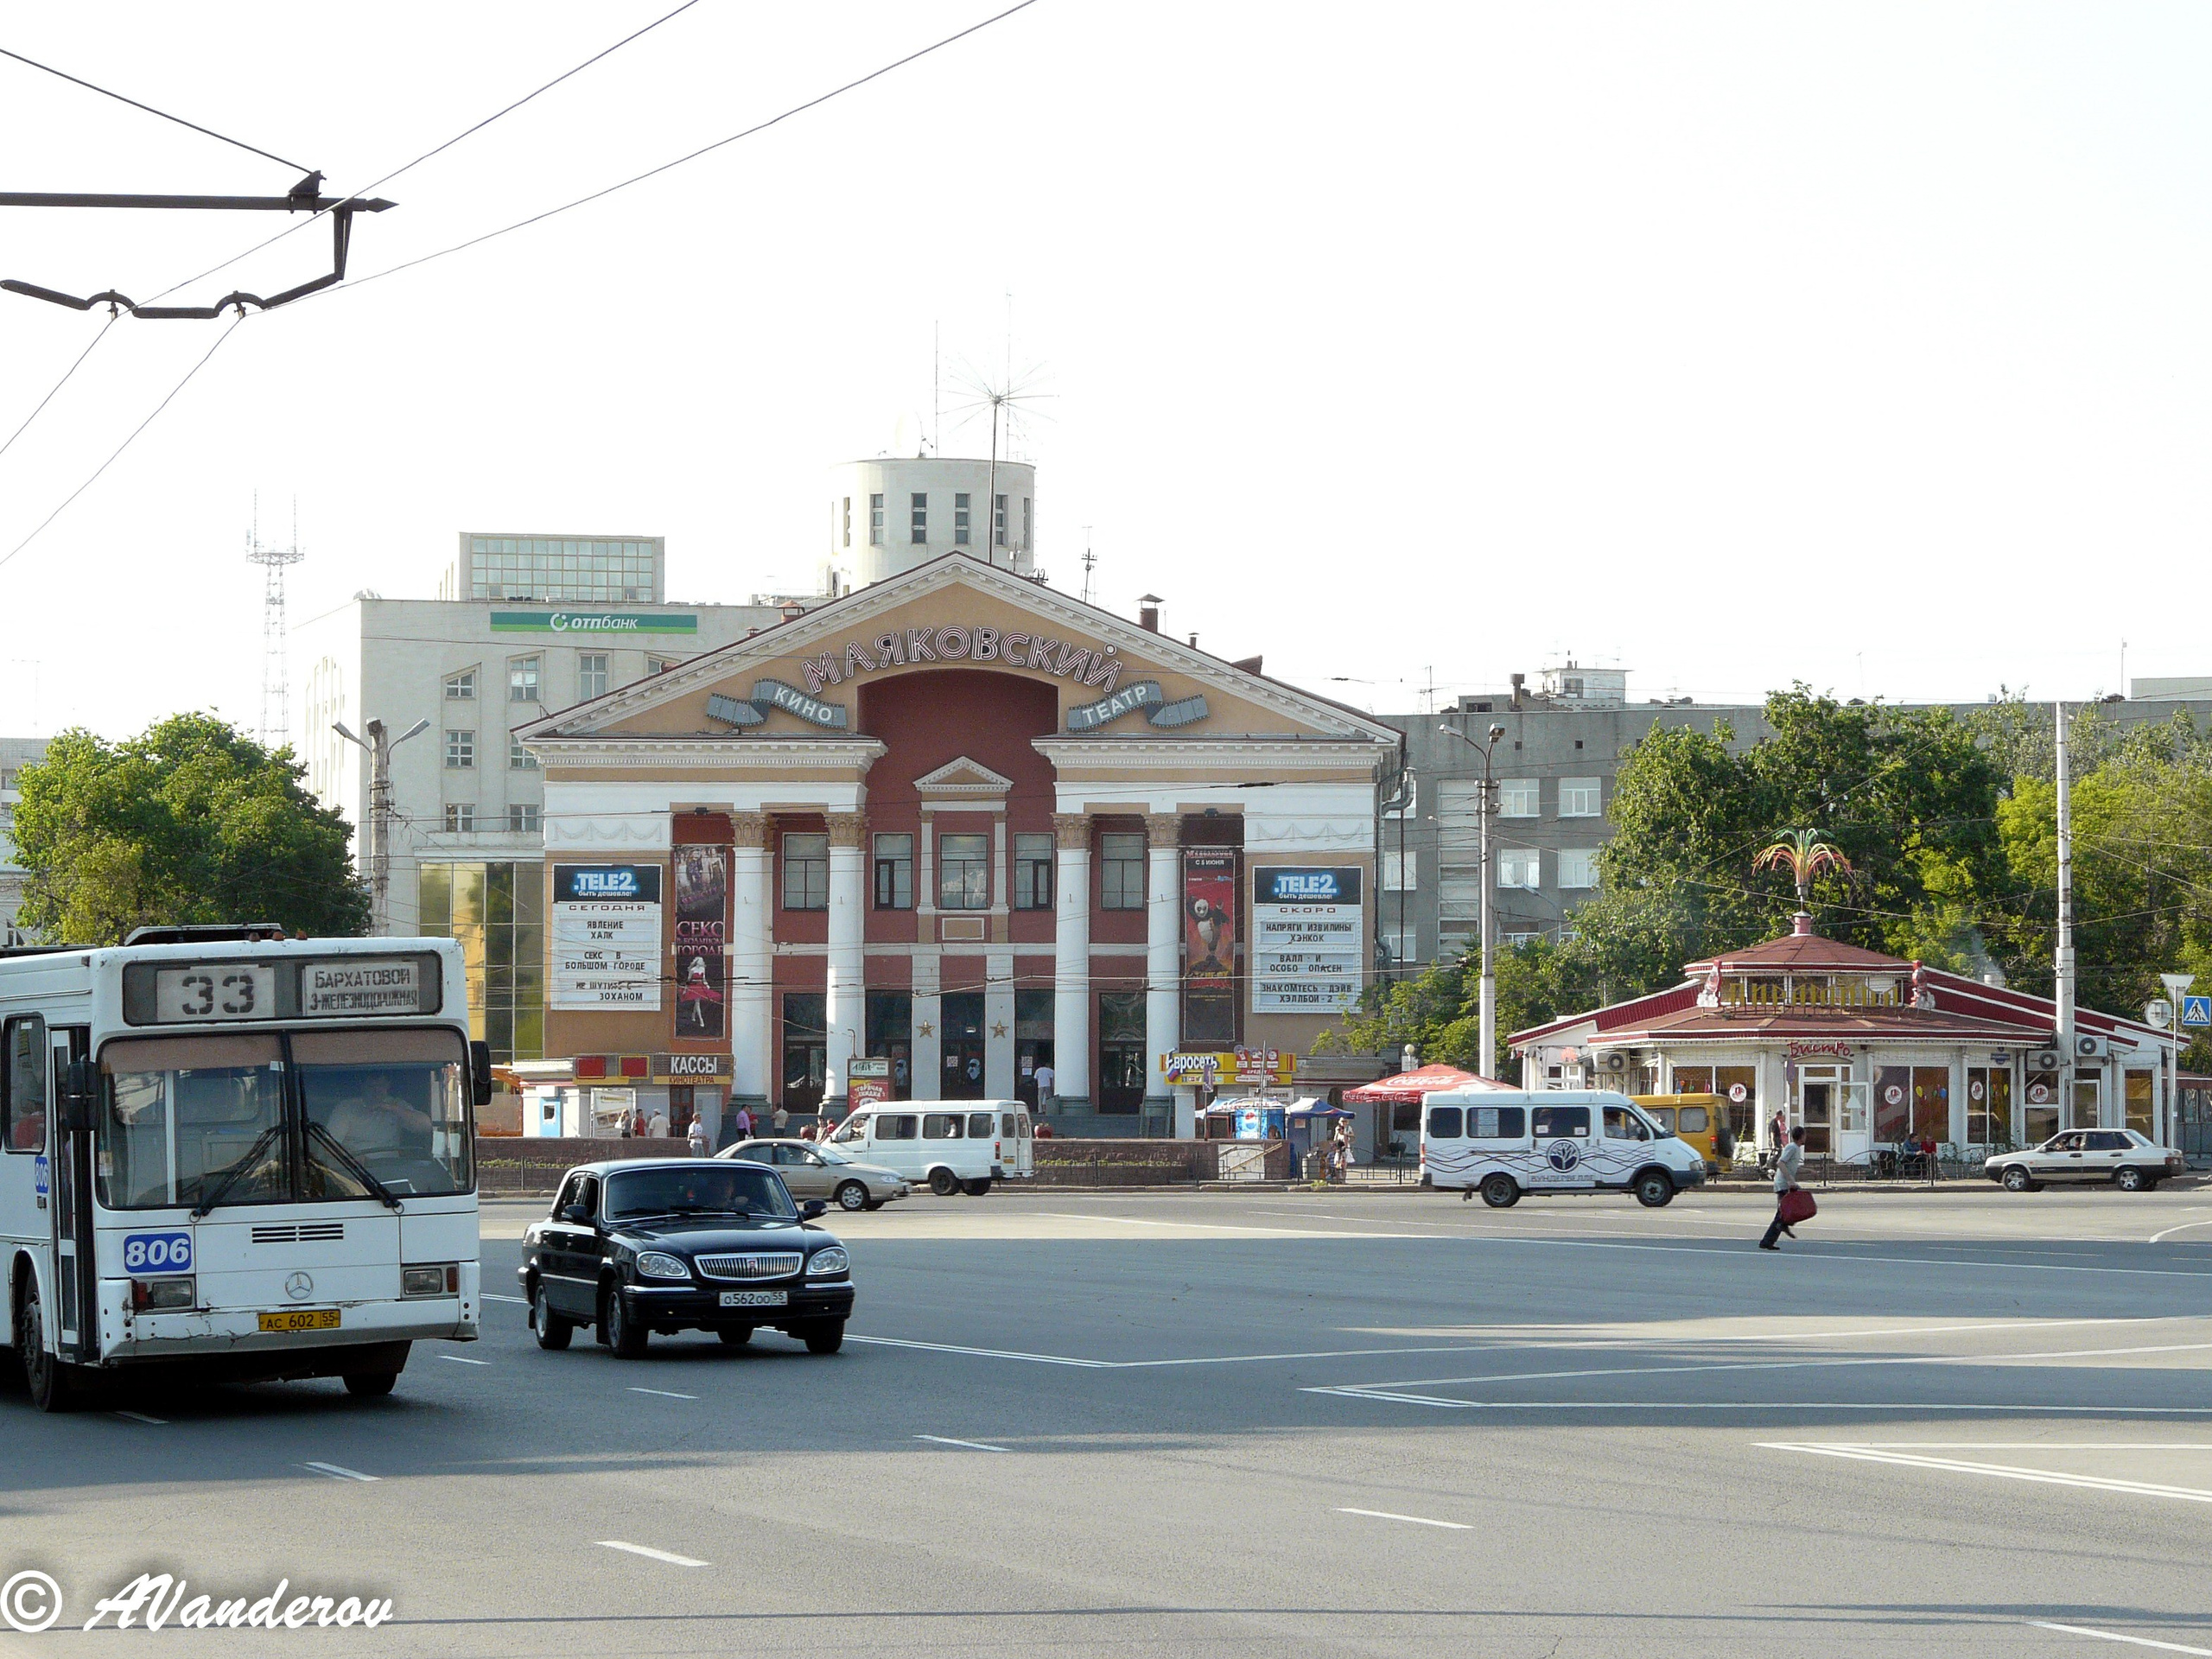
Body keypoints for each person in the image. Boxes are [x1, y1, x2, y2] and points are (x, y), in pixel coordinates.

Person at [1761, 1125, 1808, 1250]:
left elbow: (1792, 1166)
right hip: (1783, 1184)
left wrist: (1809, 1171)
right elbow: (1780, 1163)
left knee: (1786, 1211)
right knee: (1783, 1213)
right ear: (1801, 1136)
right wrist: (1790, 1180)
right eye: (1805, 1135)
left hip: (1787, 1184)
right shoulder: (1792, 1147)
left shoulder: (1796, 1149)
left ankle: (1783, 1225)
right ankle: (1769, 1239)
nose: (1806, 1137)